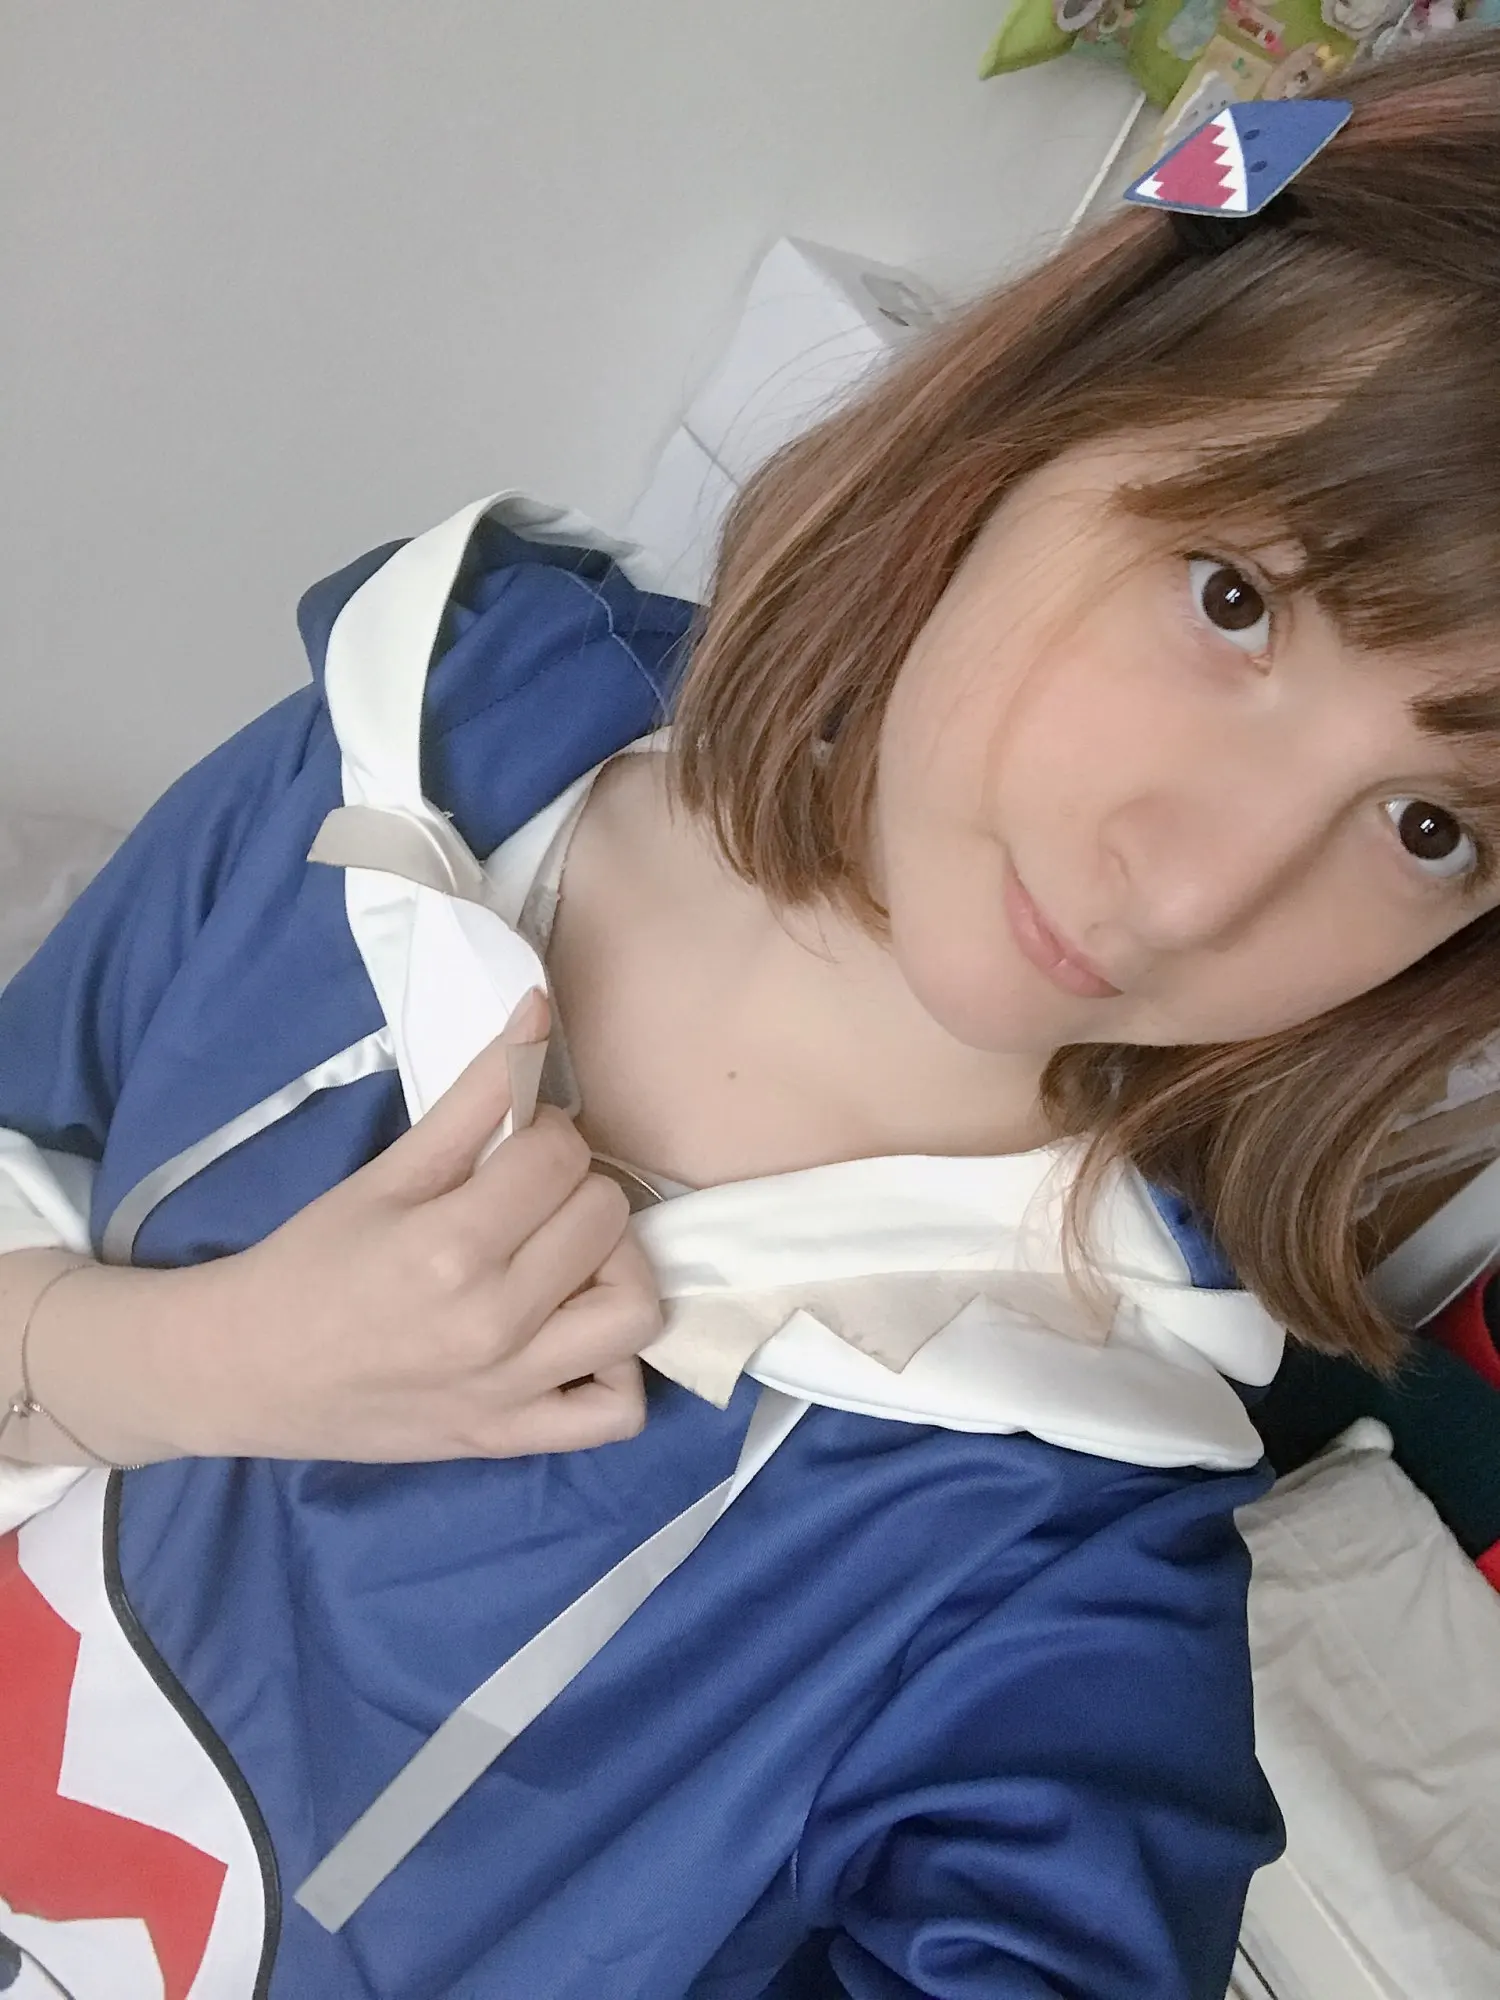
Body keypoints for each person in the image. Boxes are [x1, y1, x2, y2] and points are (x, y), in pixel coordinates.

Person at [3, 36, 1500, 2000]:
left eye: (1430, 824)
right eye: (1235, 599)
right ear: (1042, 408)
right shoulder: (408, 747)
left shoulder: (1055, 1588)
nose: (1199, 886)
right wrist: (174, 1362)